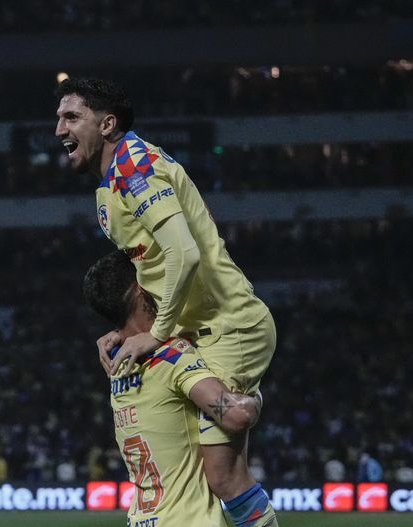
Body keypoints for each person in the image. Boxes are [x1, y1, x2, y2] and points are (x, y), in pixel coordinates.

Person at [56, 77, 277, 523]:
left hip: (228, 324)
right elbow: (149, 273)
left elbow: (184, 252)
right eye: (59, 118)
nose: (59, 129)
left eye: (72, 116)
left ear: (107, 123)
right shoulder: (109, 188)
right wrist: (125, 328)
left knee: (221, 474)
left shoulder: (135, 168)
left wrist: (155, 334)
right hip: (200, 326)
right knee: (204, 470)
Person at [83, 250, 277, 527]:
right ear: (141, 289)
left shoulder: (117, 366)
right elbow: (236, 416)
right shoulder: (171, 356)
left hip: (142, 519)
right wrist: (252, 392)